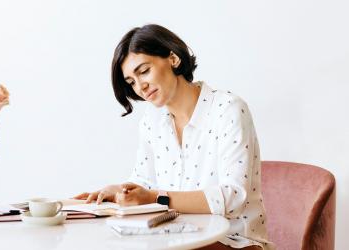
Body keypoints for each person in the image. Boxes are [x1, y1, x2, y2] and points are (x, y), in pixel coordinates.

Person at [74, 24, 274, 250]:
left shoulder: (227, 109)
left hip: (235, 242)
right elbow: (145, 182)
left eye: (143, 71)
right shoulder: (152, 122)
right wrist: (120, 192)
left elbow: (233, 197)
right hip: (175, 238)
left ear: (173, 59)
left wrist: (154, 197)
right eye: (131, 81)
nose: (140, 86)